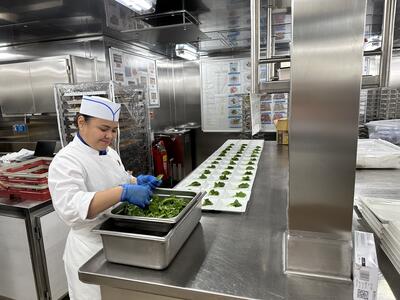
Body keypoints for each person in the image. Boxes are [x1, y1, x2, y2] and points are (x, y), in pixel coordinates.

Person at [48, 96, 161, 300]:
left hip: (117, 244)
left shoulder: (108, 152)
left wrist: (136, 181)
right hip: (89, 252)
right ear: (81, 122)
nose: (109, 135)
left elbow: (117, 178)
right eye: (103, 128)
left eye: (114, 129)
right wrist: (122, 192)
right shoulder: (66, 161)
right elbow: (71, 210)